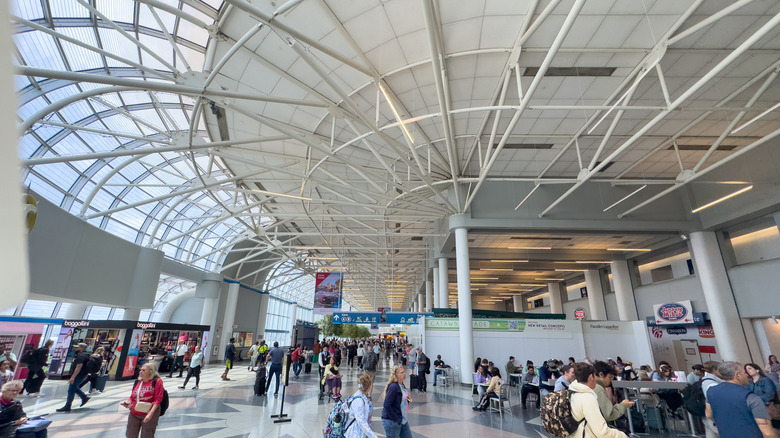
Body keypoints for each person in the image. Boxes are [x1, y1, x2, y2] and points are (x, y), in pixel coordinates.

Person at [706, 361, 775, 438]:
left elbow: (708, 414)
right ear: (737, 375)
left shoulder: (711, 391)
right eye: (744, 372)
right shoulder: (750, 397)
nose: (746, 374)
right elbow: (768, 433)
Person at [567, 362, 628, 438]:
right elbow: (602, 431)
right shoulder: (588, 397)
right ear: (591, 377)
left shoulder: (572, 391)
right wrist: (621, 435)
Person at [121, 362, 165, 438]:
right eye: (140, 370)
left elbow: (158, 398)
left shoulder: (156, 381)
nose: (141, 372)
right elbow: (132, 395)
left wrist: (151, 413)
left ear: (150, 371)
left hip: (149, 412)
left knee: (147, 434)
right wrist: (129, 402)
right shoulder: (138, 382)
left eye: (144, 370)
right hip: (134, 412)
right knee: (130, 434)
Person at [56, 343, 91, 412]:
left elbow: (78, 367)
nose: (76, 348)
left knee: (71, 389)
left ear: (82, 348)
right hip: (83, 374)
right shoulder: (86, 355)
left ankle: (68, 406)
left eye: (78, 347)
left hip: (79, 374)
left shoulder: (81, 356)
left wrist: (73, 377)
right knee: (73, 387)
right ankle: (84, 397)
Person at [381, 365, 412, 438]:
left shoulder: (402, 385)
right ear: (396, 375)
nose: (404, 374)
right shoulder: (393, 387)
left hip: (402, 419)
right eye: (401, 373)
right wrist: (396, 419)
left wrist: (408, 400)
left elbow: (401, 400)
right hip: (392, 421)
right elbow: (387, 405)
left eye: (404, 372)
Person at [345, 373, 378, 438]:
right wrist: (373, 436)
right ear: (369, 387)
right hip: (355, 433)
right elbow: (361, 421)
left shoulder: (361, 397)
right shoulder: (359, 401)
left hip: (359, 432)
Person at [701, 360, 722, 438]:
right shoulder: (712, 383)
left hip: (707, 412)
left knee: (710, 433)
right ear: (714, 370)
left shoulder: (705, 380)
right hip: (714, 414)